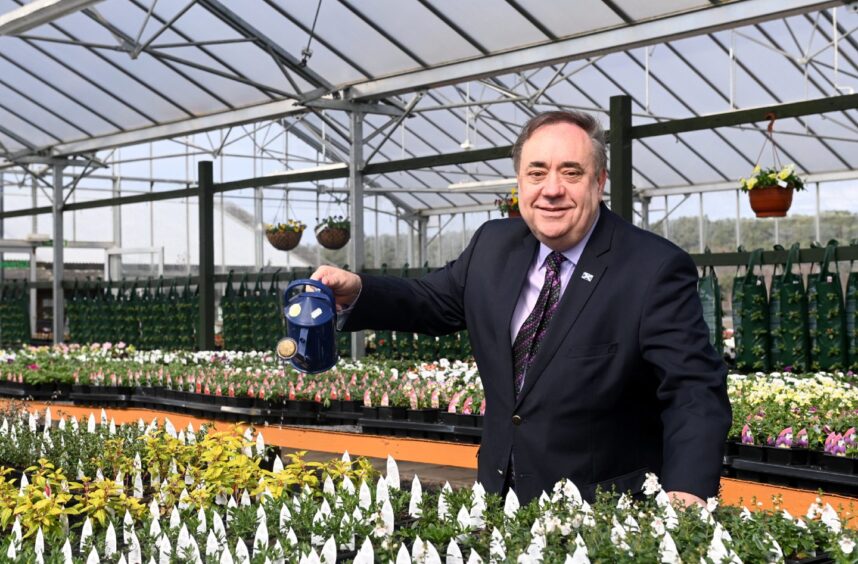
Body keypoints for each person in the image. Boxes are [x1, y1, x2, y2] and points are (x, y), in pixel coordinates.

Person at [312, 110, 731, 506]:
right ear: (519, 180)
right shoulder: (493, 245)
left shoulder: (651, 267)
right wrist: (358, 289)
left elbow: (693, 389)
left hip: (605, 511)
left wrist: (687, 492)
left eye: (571, 172)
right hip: (501, 496)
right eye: (536, 172)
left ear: (599, 181)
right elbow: (431, 301)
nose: (551, 189)